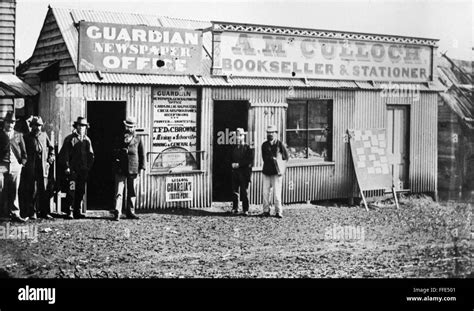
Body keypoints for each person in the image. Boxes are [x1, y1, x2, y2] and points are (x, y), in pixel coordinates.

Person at [58, 117, 94, 219]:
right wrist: (67, 167)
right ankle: (70, 211)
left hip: (82, 171)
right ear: (76, 127)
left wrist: (87, 167)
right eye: (80, 126)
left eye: (84, 126)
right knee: (71, 190)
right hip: (72, 171)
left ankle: (77, 211)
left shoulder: (87, 140)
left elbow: (91, 155)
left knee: (80, 191)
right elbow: (64, 154)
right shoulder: (70, 139)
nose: (82, 128)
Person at [112, 116, 144, 221]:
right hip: (121, 168)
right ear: (125, 126)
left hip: (133, 168)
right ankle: (117, 212)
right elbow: (113, 151)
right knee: (119, 192)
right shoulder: (119, 137)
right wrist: (121, 152)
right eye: (128, 126)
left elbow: (141, 154)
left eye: (132, 127)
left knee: (132, 192)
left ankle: (131, 212)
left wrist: (141, 167)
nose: (130, 129)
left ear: (135, 127)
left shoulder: (138, 138)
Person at [22, 117, 55, 220]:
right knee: (31, 190)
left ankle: (45, 212)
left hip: (42, 166)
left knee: (44, 190)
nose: (38, 127)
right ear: (32, 126)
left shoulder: (44, 136)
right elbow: (22, 152)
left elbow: (51, 150)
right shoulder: (26, 137)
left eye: (39, 125)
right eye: (35, 125)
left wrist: (49, 160)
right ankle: (32, 212)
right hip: (31, 167)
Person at [0, 112, 27, 222]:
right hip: (2, 165)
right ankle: (2, 214)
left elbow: (24, 152)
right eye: (8, 122)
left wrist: (22, 163)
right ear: (4, 123)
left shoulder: (18, 135)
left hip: (16, 165)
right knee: (1, 189)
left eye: (12, 123)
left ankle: (15, 213)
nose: (10, 125)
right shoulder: (0, 134)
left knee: (14, 190)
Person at [261, 124, 289, 218]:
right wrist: (271, 159)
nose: (270, 134)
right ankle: (266, 210)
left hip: (277, 173)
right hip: (267, 171)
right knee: (265, 192)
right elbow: (264, 158)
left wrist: (281, 168)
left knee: (277, 193)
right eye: (268, 133)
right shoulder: (264, 145)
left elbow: (286, 157)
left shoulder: (280, 144)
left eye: (272, 132)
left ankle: (278, 211)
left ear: (275, 133)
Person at [230, 128, 254, 215]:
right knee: (235, 191)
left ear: (243, 136)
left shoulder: (248, 148)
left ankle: (245, 209)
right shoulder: (233, 148)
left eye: (240, 135)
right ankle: (235, 208)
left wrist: (239, 165)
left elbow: (249, 160)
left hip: (244, 173)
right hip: (235, 172)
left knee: (244, 191)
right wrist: (232, 164)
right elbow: (229, 158)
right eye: (236, 135)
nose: (238, 137)